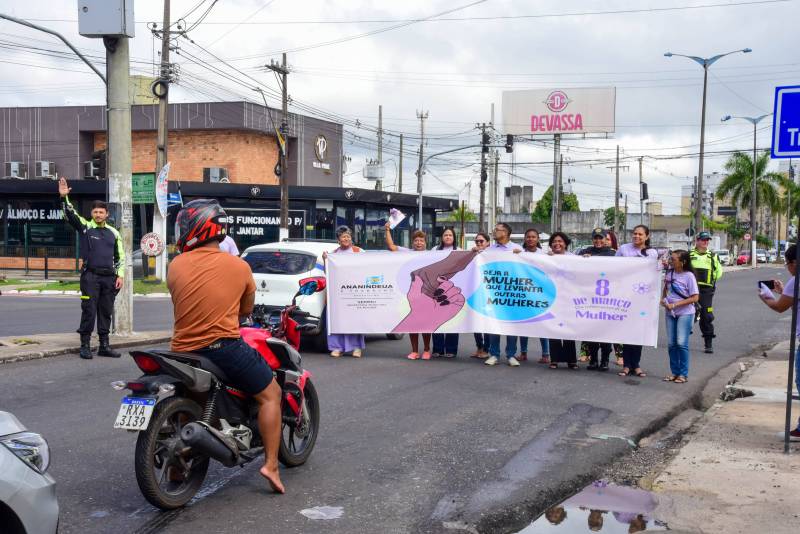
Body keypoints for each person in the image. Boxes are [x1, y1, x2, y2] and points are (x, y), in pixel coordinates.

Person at [167, 199, 285, 493]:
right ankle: (271, 465)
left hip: (181, 349)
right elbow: (245, 311)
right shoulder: (239, 266)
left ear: (196, 228)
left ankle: (175, 474)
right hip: (222, 348)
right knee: (271, 394)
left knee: (189, 402)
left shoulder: (175, 265)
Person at [58, 176, 124, 360]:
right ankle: (85, 345)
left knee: (105, 311)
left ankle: (104, 346)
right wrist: (64, 198)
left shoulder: (114, 233)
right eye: (95, 212)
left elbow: (121, 257)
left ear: (106, 214)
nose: (98, 215)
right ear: (92, 214)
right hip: (90, 277)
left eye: (101, 212)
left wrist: (120, 275)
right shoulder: (86, 227)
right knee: (89, 310)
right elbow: (71, 214)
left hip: (109, 278)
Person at [758, 244, 800, 438]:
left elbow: (780, 307)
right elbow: (793, 304)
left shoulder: (796, 280)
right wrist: (784, 291)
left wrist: (766, 297)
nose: (787, 268)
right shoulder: (792, 284)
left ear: (794, 263)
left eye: (787, 263)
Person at [615, 224, 659, 378]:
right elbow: (612, 267)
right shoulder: (624, 249)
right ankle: (627, 365)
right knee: (628, 332)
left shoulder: (652, 253)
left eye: (640, 234)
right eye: (634, 234)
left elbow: (654, 273)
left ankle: (636, 364)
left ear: (646, 236)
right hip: (625, 297)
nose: (637, 236)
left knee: (639, 331)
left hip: (643, 298)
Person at [385, 223, 432, 360]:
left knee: (425, 324)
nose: (418, 243)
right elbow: (392, 247)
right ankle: (415, 351)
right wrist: (387, 230)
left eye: (421, 240)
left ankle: (427, 350)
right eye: (416, 240)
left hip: (427, 294)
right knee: (413, 323)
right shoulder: (407, 253)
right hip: (411, 294)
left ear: (425, 242)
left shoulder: (432, 254)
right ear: (413, 242)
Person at [483, 222, 523, 367]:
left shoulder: (517, 249)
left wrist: (522, 256)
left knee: (511, 325)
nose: (494, 232)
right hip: (494, 293)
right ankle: (494, 354)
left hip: (512, 293)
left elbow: (526, 268)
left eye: (497, 230)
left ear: (505, 233)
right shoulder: (490, 249)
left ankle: (511, 354)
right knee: (495, 324)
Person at [323, 226, 366, 358]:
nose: (346, 238)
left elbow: (367, 268)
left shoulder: (359, 251)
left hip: (355, 293)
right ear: (338, 240)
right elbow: (328, 272)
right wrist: (325, 259)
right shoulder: (334, 254)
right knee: (337, 319)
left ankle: (356, 347)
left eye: (348, 236)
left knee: (354, 320)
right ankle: (337, 347)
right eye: (343, 236)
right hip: (338, 294)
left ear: (351, 238)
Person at [579, 228, 616, 371]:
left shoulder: (613, 254)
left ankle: (605, 360)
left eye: (601, 238)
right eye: (595, 238)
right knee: (592, 331)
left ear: (606, 239)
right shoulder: (585, 252)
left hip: (608, 299)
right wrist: (583, 260)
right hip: (590, 298)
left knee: (605, 332)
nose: (598, 241)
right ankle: (593, 359)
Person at [661, 250, 700, 384]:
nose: (670, 261)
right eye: (670, 259)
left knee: (681, 343)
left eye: (673, 259)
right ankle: (675, 372)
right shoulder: (669, 273)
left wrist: (676, 304)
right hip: (670, 312)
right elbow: (665, 288)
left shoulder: (689, 276)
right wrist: (663, 300)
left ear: (682, 262)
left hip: (685, 312)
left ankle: (683, 374)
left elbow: (695, 297)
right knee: (672, 344)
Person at [513, 228, 551, 363]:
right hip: (523, 294)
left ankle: (546, 354)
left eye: (533, 237)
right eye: (528, 237)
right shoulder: (520, 253)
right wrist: (515, 255)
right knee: (524, 325)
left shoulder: (544, 254)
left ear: (538, 239)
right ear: (525, 239)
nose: (530, 239)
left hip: (540, 294)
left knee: (542, 325)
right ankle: (523, 353)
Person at [545, 232, 579, 370]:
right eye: (554, 241)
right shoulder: (545, 257)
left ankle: (572, 360)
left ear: (565, 243)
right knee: (553, 328)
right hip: (551, 297)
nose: (557, 244)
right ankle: (555, 359)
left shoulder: (574, 258)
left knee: (569, 328)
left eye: (560, 241)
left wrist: (587, 259)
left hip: (569, 297)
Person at [690, 231, 724, 354]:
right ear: (697, 240)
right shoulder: (689, 255)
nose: (706, 242)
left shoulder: (713, 256)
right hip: (690, 289)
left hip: (706, 290)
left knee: (706, 315)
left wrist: (711, 280)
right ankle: (681, 339)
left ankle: (708, 343)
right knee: (685, 313)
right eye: (703, 240)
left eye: (707, 240)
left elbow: (719, 272)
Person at [432, 227, 460, 358]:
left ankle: (451, 349)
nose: (448, 237)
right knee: (436, 319)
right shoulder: (434, 250)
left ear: (454, 237)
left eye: (450, 235)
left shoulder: (460, 251)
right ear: (442, 237)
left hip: (453, 289)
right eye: (445, 235)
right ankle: (437, 349)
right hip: (436, 289)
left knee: (452, 320)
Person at [471, 232, 492, 359]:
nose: (479, 243)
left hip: (489, 294)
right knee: (476, 322)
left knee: (487, 323)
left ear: (488, 243)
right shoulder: (472, 254)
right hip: (475, 293)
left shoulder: (492, 255)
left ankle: (486, 349)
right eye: (477, 241)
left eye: (481, 241)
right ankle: (479, 347)